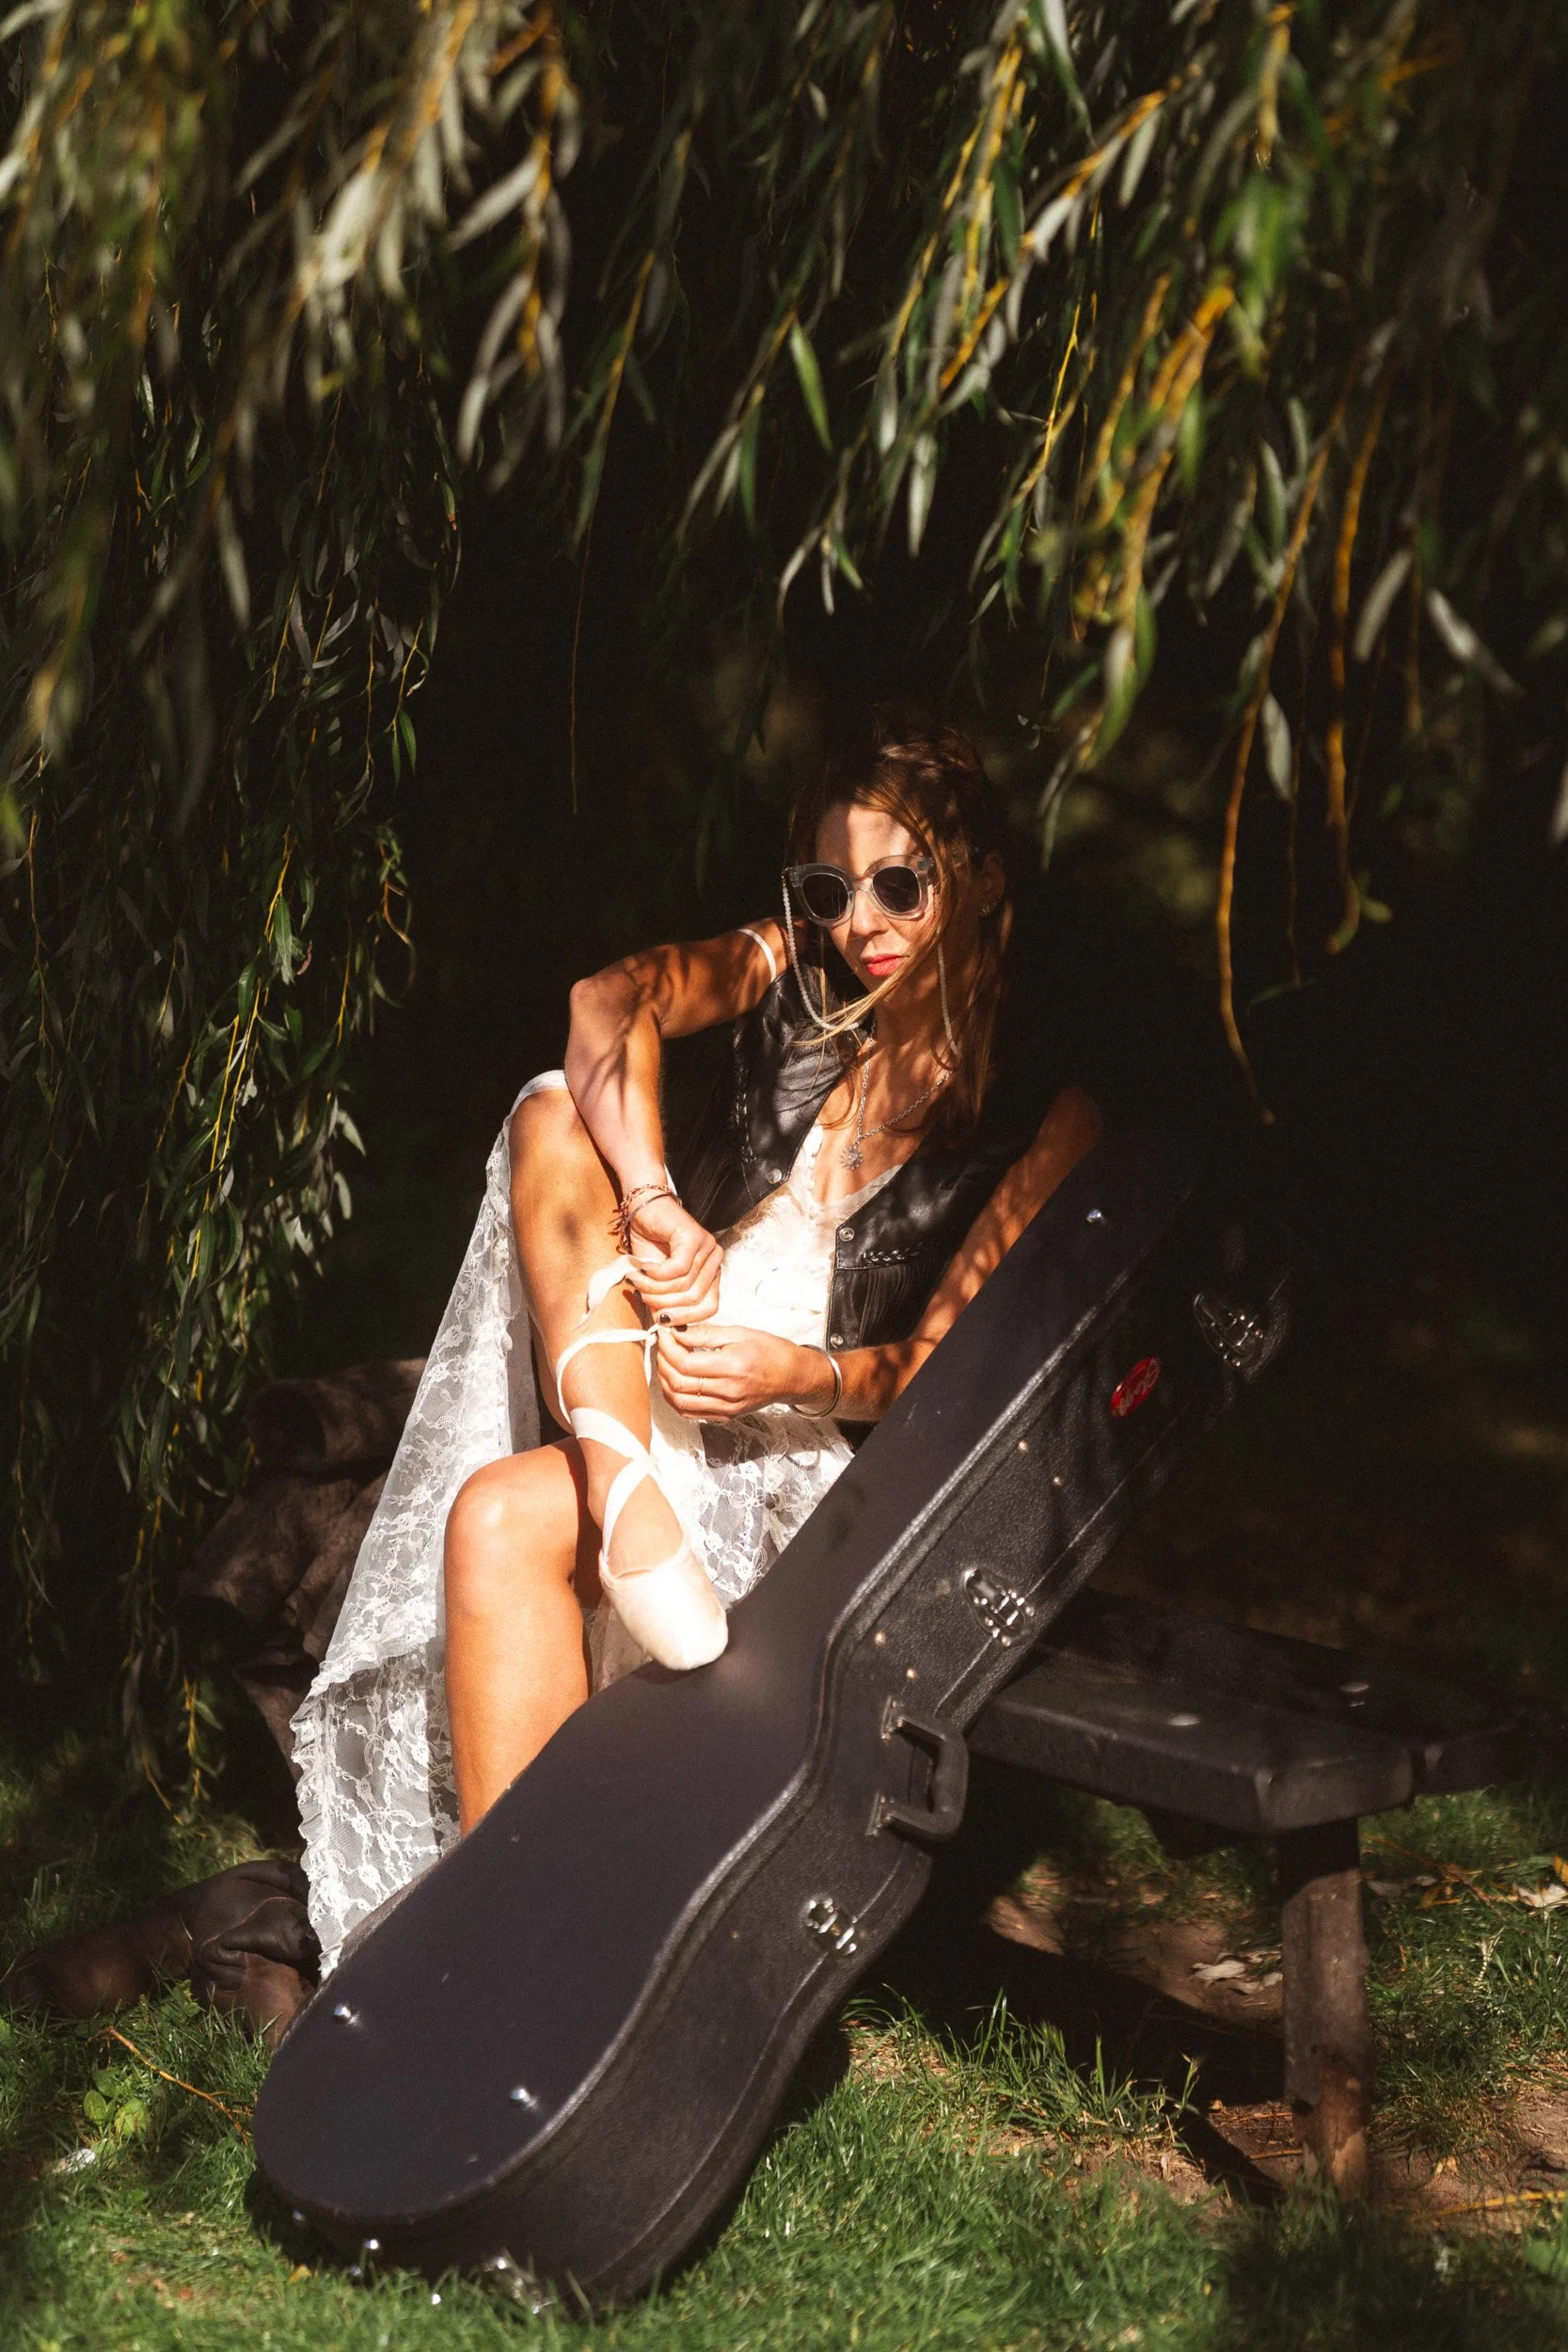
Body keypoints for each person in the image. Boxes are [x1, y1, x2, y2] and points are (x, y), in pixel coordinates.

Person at [296, 716, 1101, 1974]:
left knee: (504, 1514)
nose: (863, 924)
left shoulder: (1043, 1107)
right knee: (558, 1101)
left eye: (902, 884)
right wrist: (659, 1201)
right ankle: (617, 1505)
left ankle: (521, 1935)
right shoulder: (794, 972)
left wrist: (798, 1374)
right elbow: (601, 1002)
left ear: (983, 876)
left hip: (828, 1455)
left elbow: (957, 1376)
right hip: (652, 1376)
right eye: (832, 889)